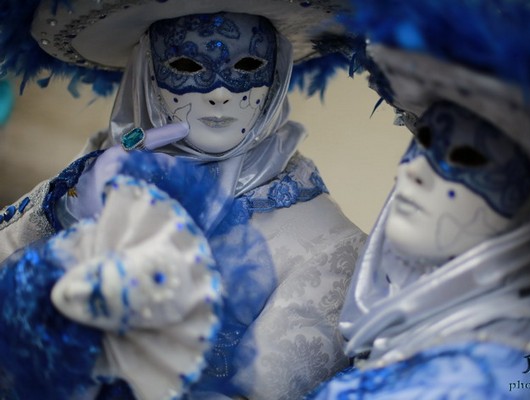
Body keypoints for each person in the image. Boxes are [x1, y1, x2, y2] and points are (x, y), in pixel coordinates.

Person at [0, 2, 365, 399]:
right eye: (189, 66)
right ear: (147, 72)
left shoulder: (328, 244)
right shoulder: (94, 174)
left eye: (246, 67)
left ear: (276, 74)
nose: (221, 93)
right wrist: (62, 213)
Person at [310, 0, 530, 398]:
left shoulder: (503, 379)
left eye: (466, 158)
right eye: (424, 140)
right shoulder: (433, 334)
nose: (412, 170)